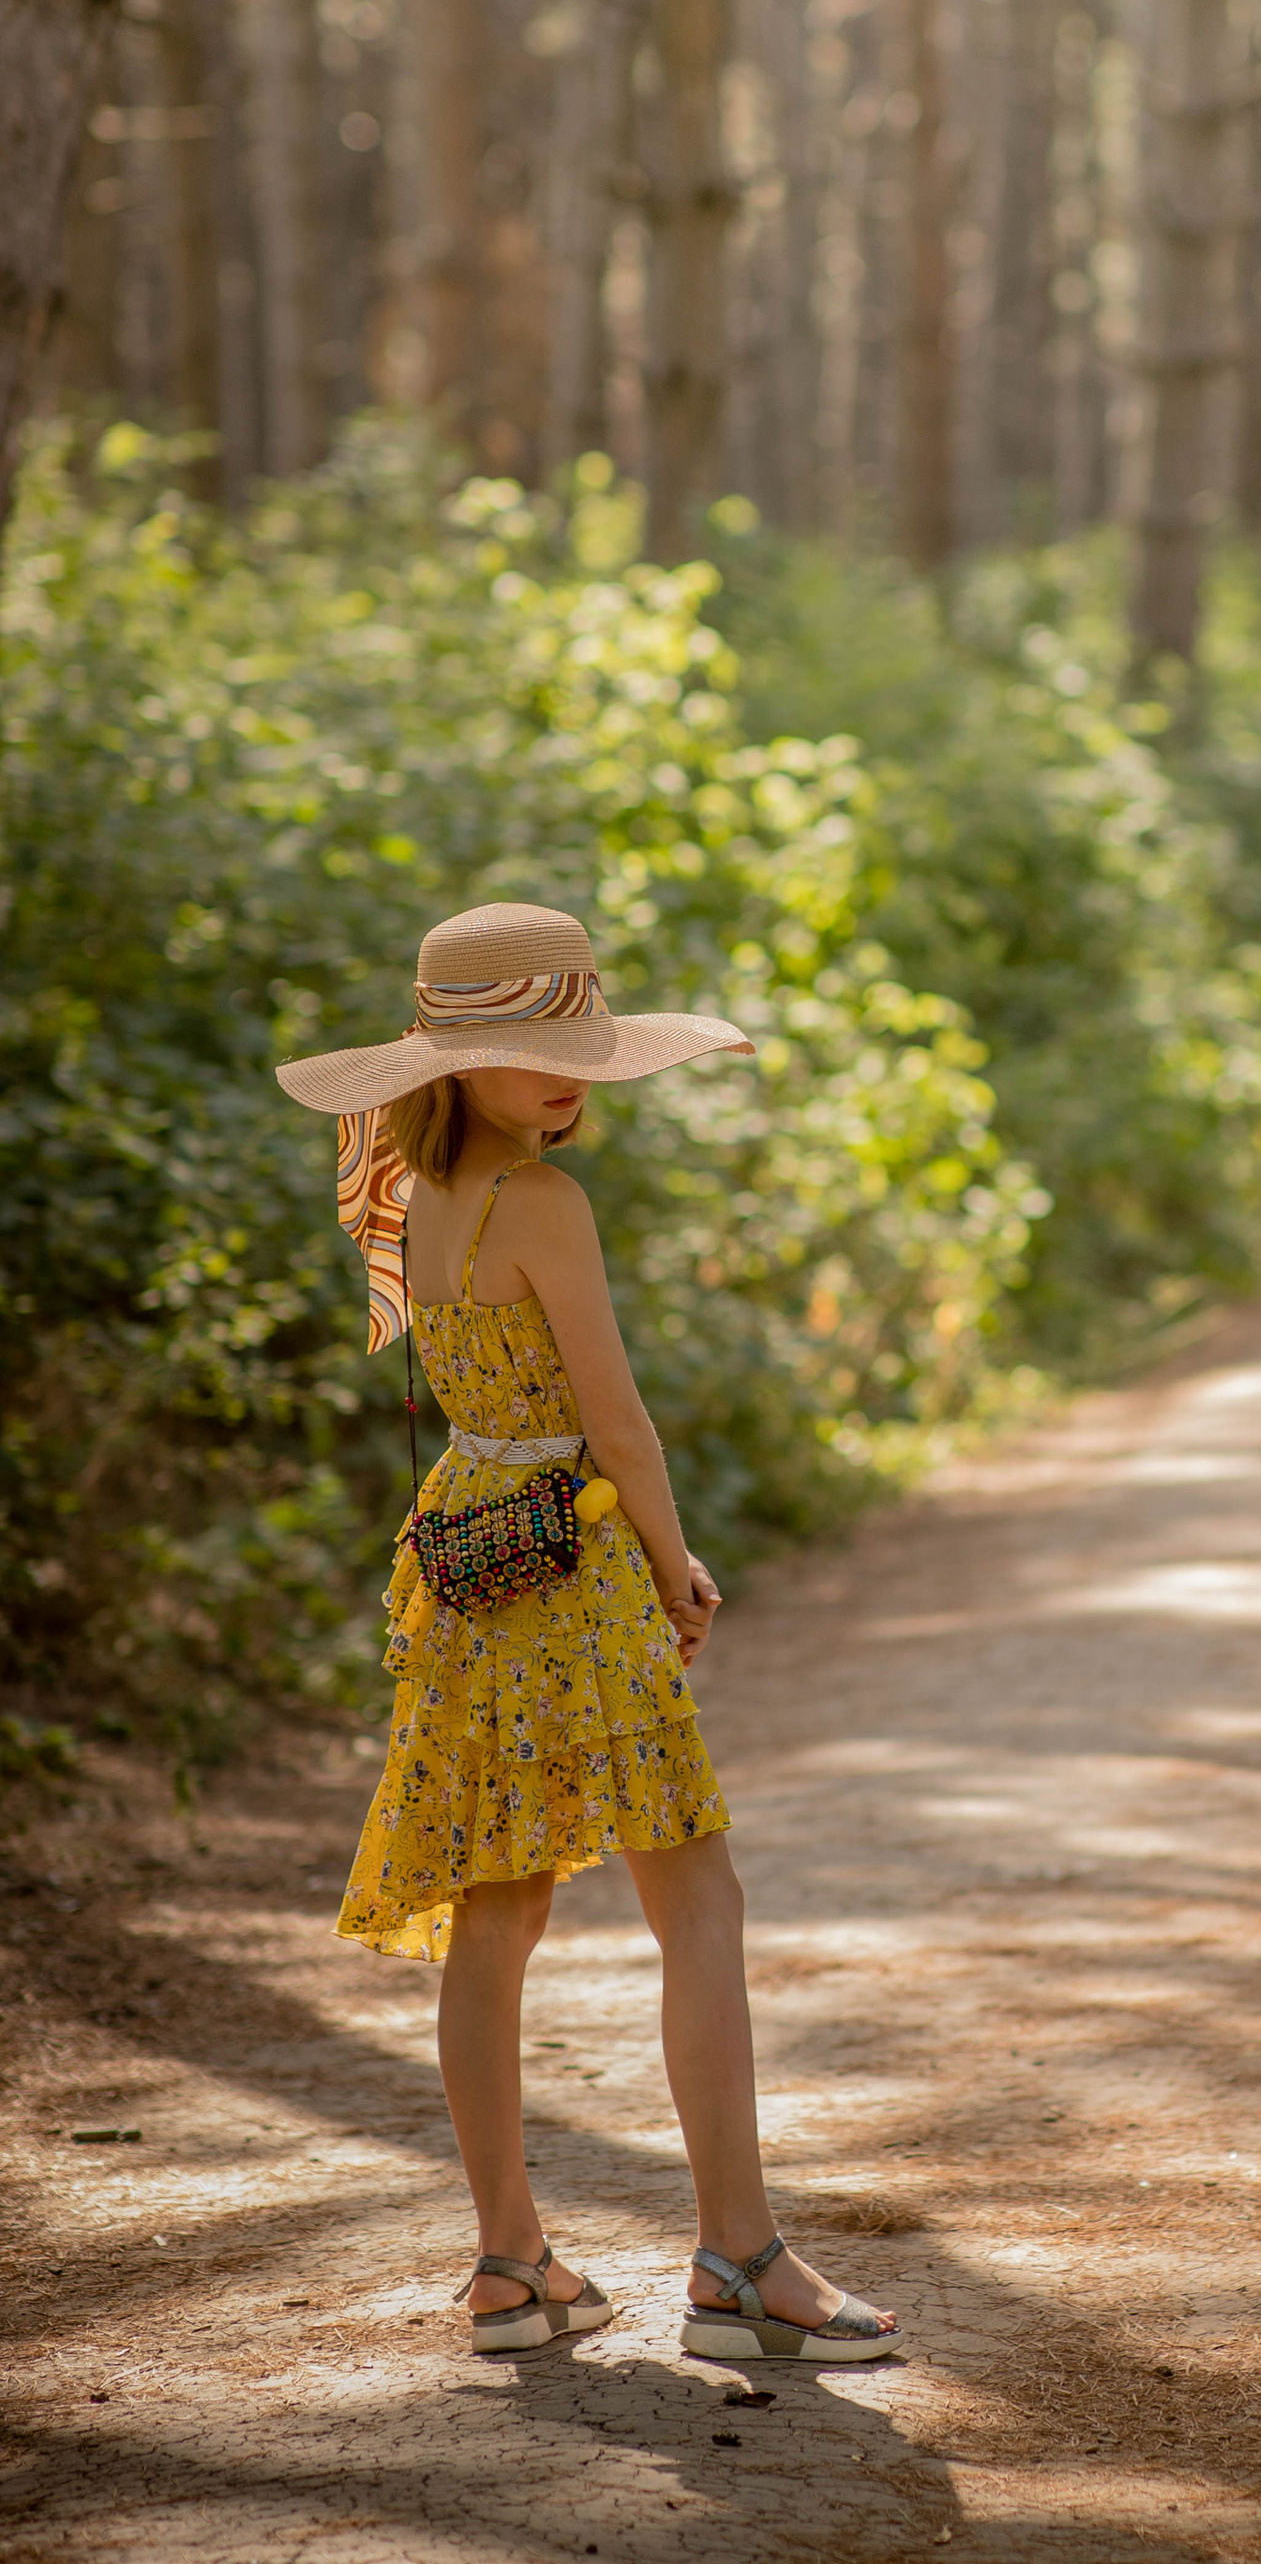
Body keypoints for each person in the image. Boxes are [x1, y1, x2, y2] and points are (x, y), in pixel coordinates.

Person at [277, 897, 899, 2368]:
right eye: (546, 1052)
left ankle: (510, 2265)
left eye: (586, 1052)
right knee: (699, 1902)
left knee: (498, 1917)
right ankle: (740, 2262)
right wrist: (680, 1574)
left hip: (465, 1558)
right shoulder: (543, 1206)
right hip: (572, 1565)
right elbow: (617, 1425)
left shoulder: (412, 1199)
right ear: (456, 1059)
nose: (577, 1081)